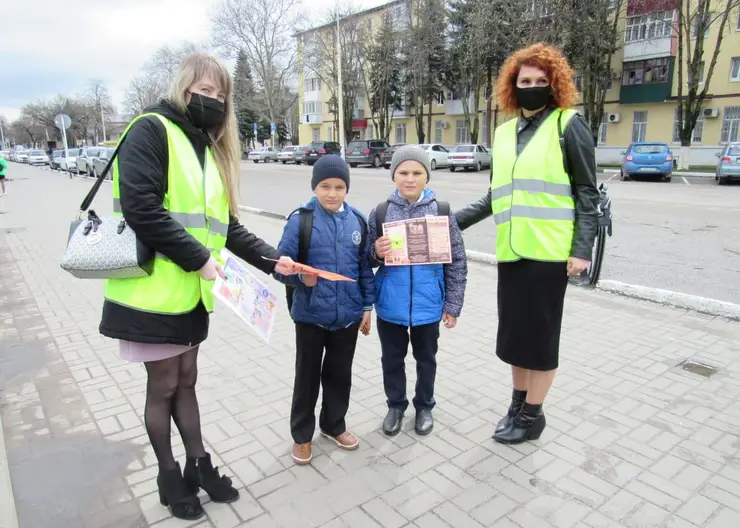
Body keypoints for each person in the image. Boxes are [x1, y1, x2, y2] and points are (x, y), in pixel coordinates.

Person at [98, 52, 299, 520]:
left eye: (221, 95)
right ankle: (169, 476)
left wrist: (274, 261)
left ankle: (199, 465)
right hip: (151, 295)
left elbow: (224, 226)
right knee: (163, 386)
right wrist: (200, 259)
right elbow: (141, 209)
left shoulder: (205, 148)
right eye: (205, 90)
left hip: (191, 293)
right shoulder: (150, 129)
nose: (213, 100)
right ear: (183, 87)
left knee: (187, 382)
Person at [455, 43, 600, 445]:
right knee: (515, 338)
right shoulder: (503, 135)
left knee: (540, 339)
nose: (532, 87)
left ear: (553, 84)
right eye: (524, 81)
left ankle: (533, 415)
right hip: (512, 253)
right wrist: (449, 223)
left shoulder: (568, 125)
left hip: (550, 255)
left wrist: (581, 249)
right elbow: (493, 197)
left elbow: (587, 193)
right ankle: (517, 404)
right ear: (512, 86)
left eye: (540, 81)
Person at [274, 155, 375, 466]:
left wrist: (367, 306)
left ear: (347, 188)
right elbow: (279, 268)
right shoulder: (300, 220)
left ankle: (333, 425)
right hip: (310, 317)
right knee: (307, 378)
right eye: (325, 186)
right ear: (314, 187)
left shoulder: (357, 221)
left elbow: (364, 269)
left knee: (339, 376)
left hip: (347, 316)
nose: (332, 193)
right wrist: (297, 275)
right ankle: (302, 436)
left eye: (339, 187)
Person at [369, 146, 467, 437]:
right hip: (390, 305)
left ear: (427, 176)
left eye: (417, 173)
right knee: (391, 359)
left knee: (426, 359)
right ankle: (396, 406)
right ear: (394, 175)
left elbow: (457, 261)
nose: (409, 179)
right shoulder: (381, 212)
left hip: (428, 305)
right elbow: (364, 260)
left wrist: (453, 304)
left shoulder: (442, 212)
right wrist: (376, 252)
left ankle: (424, 406)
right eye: (403, 172)